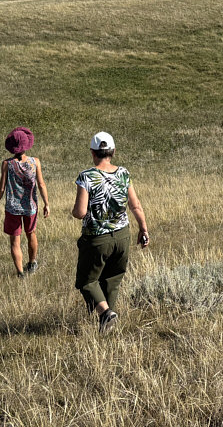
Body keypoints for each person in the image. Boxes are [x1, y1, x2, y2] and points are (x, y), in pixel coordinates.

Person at [72, 131, 149, 333]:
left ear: (92, 152)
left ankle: (105, 314)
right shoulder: (124, 173)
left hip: (97, 238)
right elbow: (135, 205)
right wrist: (143, 228)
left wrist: (74, 211)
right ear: (113, 151)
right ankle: (107, 325)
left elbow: (80, 212)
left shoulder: (86, 176)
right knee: (112, 279)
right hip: (122, 235)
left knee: (86, 280)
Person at [0, 126, 49, 278]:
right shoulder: (35, 162)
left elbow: (2, 187)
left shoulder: (7, 164)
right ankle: (32, 262)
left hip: (12, 208)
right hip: (31, 206)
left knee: (15, 242)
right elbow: (41, 184)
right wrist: (46, 204)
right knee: (31, 234)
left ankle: (20, 273)